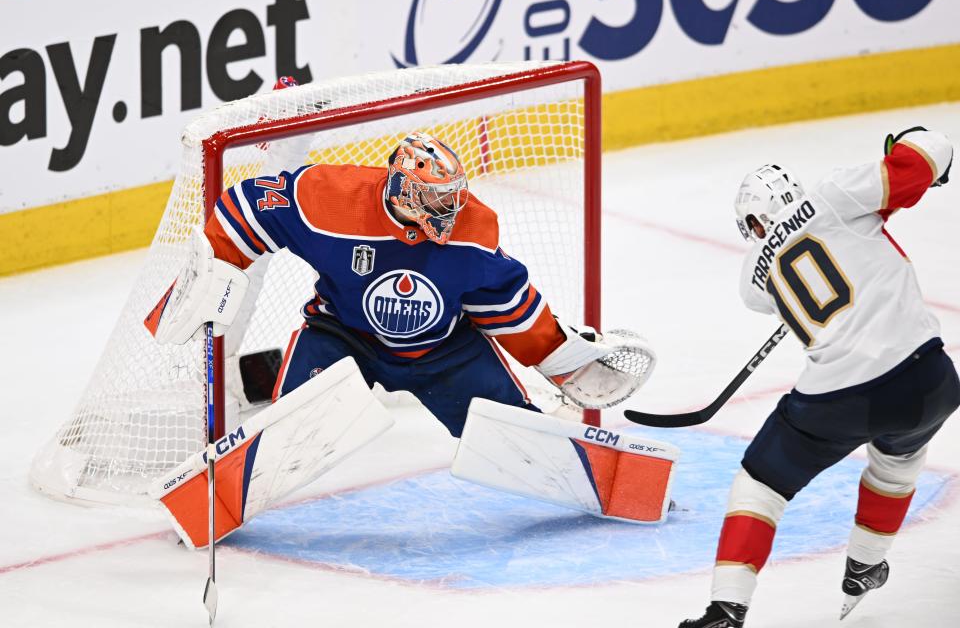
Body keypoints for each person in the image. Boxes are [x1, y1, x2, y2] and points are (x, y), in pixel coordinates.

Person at [153, 130, 636, 439]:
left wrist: (561, 359)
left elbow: (507, 306)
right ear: (404, 190)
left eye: (452, 196)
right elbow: (247, 207)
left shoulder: (473, 230)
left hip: (446, 353)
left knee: (518, 439)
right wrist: (209, 273)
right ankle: (228, 488)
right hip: (343, 339)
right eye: (435, 197)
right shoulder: (328, 200)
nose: (450, 208)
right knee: (293, 433)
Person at [681, 128, 958, 627]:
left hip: (839, 397)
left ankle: (726, 607)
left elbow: (793, 270)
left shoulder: (752, 279)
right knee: (900, 457)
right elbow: (927, 154)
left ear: (752, 222)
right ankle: (866, 564)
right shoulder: (835, 195)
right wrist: (911, 145)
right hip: (931, 379)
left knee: (760, 485)